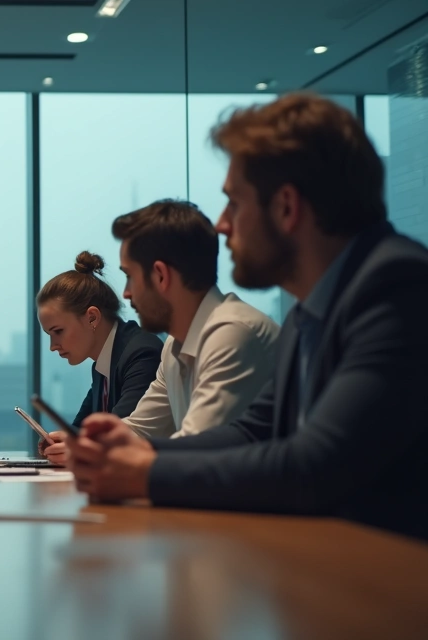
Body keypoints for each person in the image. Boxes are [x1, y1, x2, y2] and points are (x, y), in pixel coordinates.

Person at [68, 92, 428, 541]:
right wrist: (139, 453)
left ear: (286, 207)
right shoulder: (310, 311)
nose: (221, 224)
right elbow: (251, 431)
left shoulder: (397, 289)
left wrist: (146, 473)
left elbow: (314, 465)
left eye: (234, 203)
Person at [111, 199, 280, 439]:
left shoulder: (232, 333)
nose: (126, 293)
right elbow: (140, 429)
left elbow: (195, 447)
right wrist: (85, 442)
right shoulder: (174, 345)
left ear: (161, 276)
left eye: (129, 276)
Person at [35, 252, 162, 465]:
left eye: (58, 331)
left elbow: (120, 433)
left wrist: (76, 446)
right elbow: (79, 431)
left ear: (92, 318)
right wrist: (60, 440)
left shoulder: (141, 353)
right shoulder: (103, 364)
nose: (52, 346)